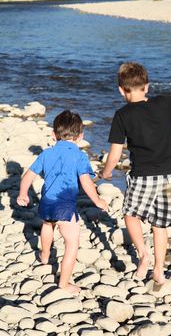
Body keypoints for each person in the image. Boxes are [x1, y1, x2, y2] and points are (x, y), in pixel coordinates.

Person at [99, 62, 171, 285]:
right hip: (169, 175)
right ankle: (159, 270)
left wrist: (106, 172)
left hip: (142, 176)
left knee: (130, 215)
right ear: (147, 87)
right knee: (159, 225)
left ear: (121, 90)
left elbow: (114, 154)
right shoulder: (164, 103)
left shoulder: (121, 115)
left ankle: (143, 255)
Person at [17, 110, 108, 294]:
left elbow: (28, 176)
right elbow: (85, 182)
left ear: (53, 134)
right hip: (65, 206)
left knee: (47, 225)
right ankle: (64, 283)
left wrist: (23, 194)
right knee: (72, 243)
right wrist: (97, 200)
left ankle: (44, 256)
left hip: (47, 202)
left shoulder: (46, 154)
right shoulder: (80, 156)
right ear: (81, 136)